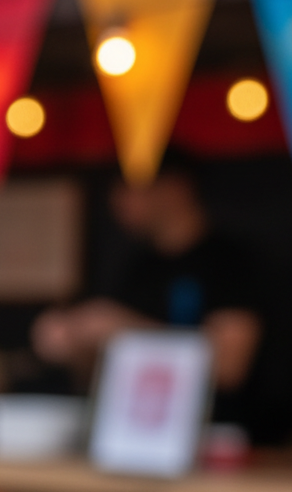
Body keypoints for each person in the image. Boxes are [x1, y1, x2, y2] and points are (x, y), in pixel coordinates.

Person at [32, 160, 262, 399]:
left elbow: (229, 369)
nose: (119, 200)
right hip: (140, 423)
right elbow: (106, 374)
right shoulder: (139, 267)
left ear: (176, 187)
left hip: (223, 427)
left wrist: (124, 329)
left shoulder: (229, 261)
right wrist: (76, 342)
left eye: (131, 186)